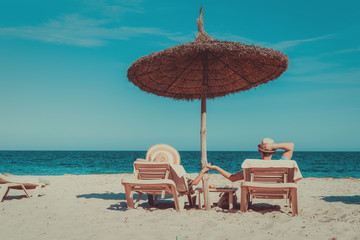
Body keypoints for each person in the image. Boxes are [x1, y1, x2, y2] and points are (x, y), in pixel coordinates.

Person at [205, 138, 295, 182]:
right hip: (279, 191)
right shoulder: (282, 163)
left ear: (259, 151)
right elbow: (291, 146)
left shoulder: (251, 165)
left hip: (257, 191)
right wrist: (274, 146)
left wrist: (216, 167)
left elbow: (232, 178)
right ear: (274, 152)